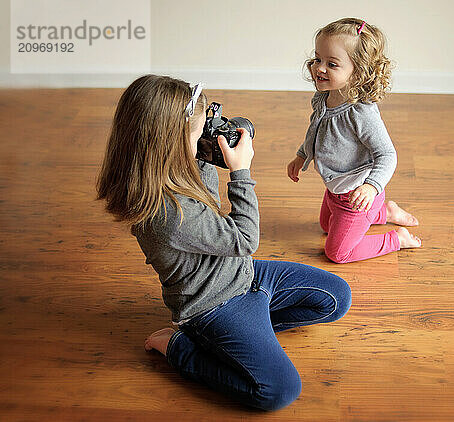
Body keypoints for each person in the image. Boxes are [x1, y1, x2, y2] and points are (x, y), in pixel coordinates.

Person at [96, 75, 351, 411]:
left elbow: (210, 203)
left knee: (336, 298)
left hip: (245, 275)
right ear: (170, 143)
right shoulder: (167, 213)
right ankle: (182, 347)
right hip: (214, 305)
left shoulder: (170, 168)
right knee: (278, 390)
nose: (204, 135)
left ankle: (238, 340)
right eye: (198, 132)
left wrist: (206, 149)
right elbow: (245, 238)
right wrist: (240, 172)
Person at [287, 18, 422, 264]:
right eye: (318, 59)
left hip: (357, 194)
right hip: (335, 189)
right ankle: (386, 212)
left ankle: (396, 239)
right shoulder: (323, 97)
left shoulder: (361, 113)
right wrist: (302, 155)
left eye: (332, 64)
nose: (320, 68)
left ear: (358, 72)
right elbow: (315, 129)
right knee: (326, 226)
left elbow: (387, 155)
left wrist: (371, 187)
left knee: (337, 253)